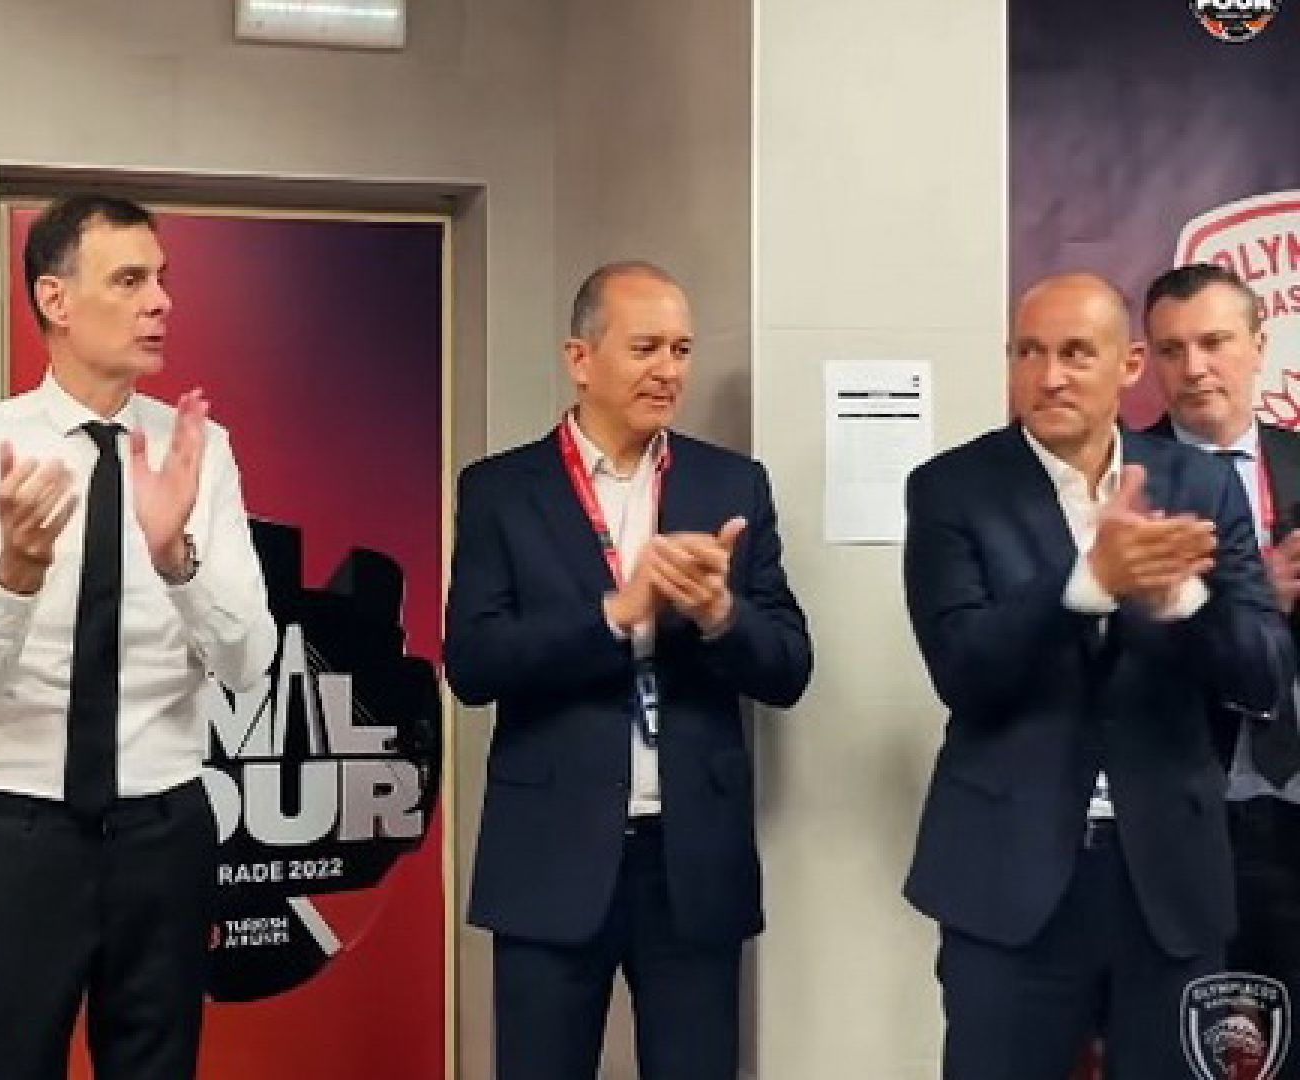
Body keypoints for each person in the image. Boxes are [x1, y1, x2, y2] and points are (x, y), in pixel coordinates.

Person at [902, 272, 1293, 1079]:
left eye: (1076, 353)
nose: (1049, 376)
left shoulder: (1199, 485)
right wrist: (1087, 585)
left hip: (1171, 882)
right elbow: (963, 669)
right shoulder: (951, 487)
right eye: (1029, 353)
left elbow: (1262, 673)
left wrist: (1181, 600)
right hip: (1009, 881)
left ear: (1130, 364)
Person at [0, 195, 275, 1080]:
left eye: (161, 279)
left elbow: (249, 663)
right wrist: (17, 572)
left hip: (165, 830)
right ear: (55, 299)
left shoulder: (200, 450)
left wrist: (176, 558)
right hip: (22, 836)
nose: (161, 301)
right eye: (129, 280)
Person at [443, 261, 812, 1079]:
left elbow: (789, 666)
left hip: (692, 859)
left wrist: (719, 615)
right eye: (646, 348)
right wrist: (617, 612)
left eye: (682, 349)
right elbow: (472, 662)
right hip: (550, 854)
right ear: (580, 359)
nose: (669, 370)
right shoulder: (502, 490)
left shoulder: (730, 484)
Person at [1144, 261, 1300, 1077]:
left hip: (1295, 797)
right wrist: (1253, 599)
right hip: (1184, 796)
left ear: (1260, 346)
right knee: (1194, 1041)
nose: (1195, 367)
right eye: (1172, 350)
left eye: (1214, 342)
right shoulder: (1126, 479)